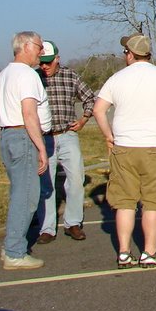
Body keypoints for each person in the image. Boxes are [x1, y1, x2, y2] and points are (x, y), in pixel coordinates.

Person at [93, 33, 156, 269]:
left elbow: (99, 110)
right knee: (153, 202)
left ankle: (125, 253)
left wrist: (109, 135)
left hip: (124, 148)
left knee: (125, 202)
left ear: (129, 53)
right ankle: (149, 251)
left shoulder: (116, 79)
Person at [0, 31, 51, 270]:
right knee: (26, 197)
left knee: (18, 193)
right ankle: (15, 251)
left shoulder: (3, 75)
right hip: (22, 135)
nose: (41, 52)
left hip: (7, 134)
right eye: (38, 46)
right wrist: (40, 147)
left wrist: (4, 137)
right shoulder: (27, 74)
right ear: (25, 46)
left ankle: (10, 246)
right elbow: (29, 113)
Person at [34, 40, 96, 244]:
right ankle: (47, 228)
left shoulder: (70, 75)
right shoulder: (34, 77)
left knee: (76, 179)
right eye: (41, 62)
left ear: (57, 59)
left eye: (48, 62)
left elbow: (90, 98)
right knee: (46, 183)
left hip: (68, 134)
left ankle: (73, 223)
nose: (44, 66)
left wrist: (84, 119)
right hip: (44, 138)